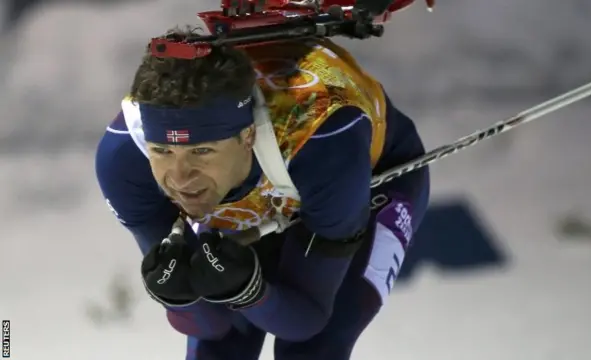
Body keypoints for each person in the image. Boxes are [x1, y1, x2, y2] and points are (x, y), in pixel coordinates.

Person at [95, 24, 430, 360]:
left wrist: (249, 293)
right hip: (273, 188)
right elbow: (215, 330)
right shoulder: (123, 161)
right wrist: (182, 298)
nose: (180, 178)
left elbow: (308, 321)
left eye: (202, 152)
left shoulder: (324, 140)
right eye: (163, 152)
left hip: (367, 179)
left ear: (248, 137)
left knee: (314, 351)